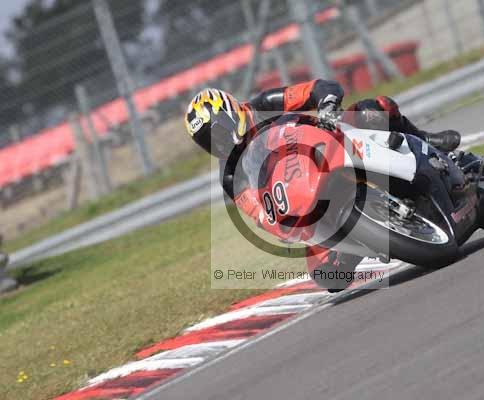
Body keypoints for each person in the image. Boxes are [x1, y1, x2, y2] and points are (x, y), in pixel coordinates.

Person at [184, 79, 461, 291]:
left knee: (372, 109)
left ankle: (426, 141)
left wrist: (326, 105)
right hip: (304, 192)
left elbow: (319, 88)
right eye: (206, 141)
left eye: (216, 131)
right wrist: (283, 227)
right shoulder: (230, 175)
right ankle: (374, 236)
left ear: (229, 113)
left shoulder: (266, 103)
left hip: (331, 144)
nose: (216, 143)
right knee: (327, 275)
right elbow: (259, 214)